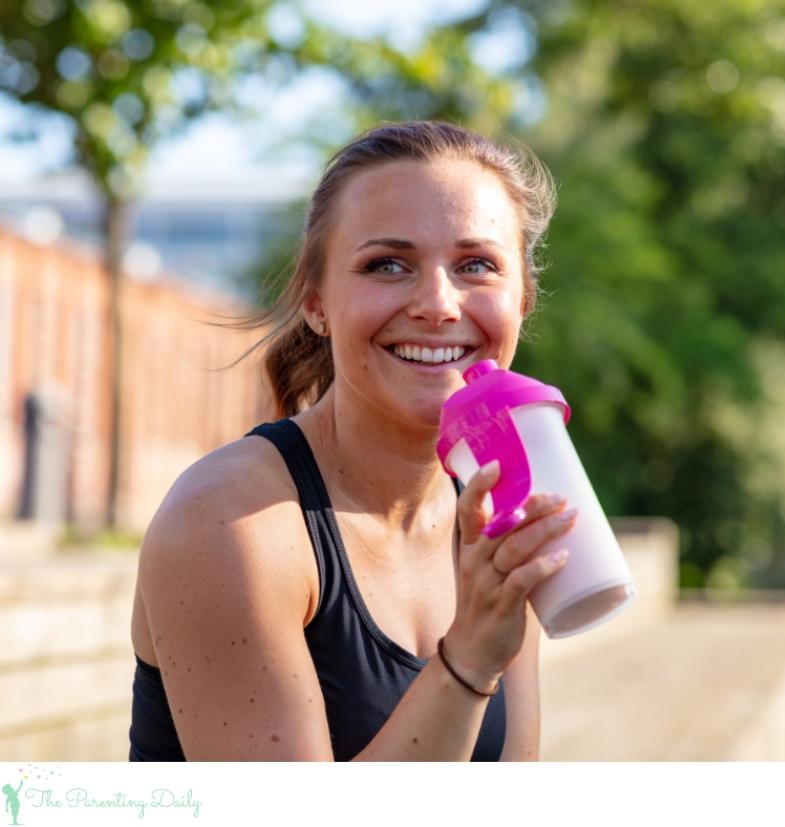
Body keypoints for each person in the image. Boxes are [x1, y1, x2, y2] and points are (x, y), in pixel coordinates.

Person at [128, 120, 578, 761]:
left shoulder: (499, 500)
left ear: (523, 300)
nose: (438, 305)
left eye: (476, 265)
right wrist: (470, 659)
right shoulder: (227, 520)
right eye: (387, 265)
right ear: (316, 303)